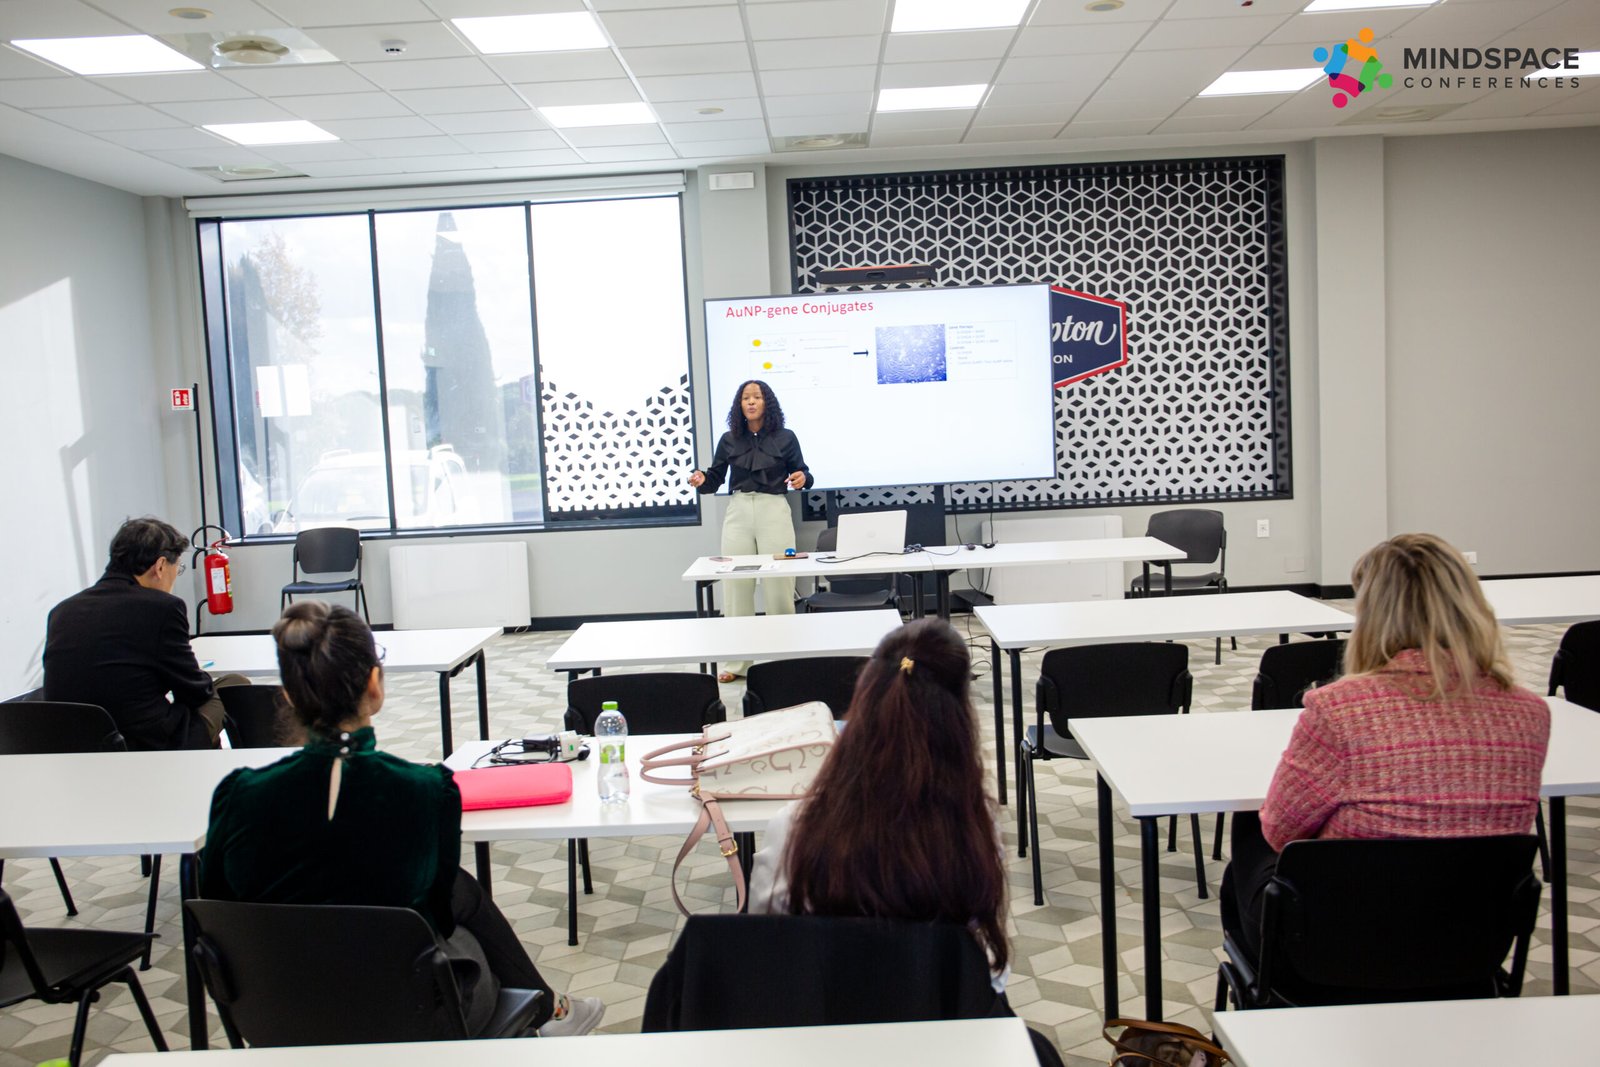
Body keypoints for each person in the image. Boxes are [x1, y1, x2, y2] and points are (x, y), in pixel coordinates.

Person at [199, 601, 603, 1038]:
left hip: (275, 1014)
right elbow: (436, 920)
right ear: (375, 685)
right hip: (414, 1016)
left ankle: (549, 1012)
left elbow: (219, 914)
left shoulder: (238, 796)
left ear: (289, 695)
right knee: (451, 900)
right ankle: (548, 1012)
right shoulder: (426, 791)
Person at [1220, 533, 1551, 962]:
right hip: (1472, 947)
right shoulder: (1529, 713)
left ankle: (1253, 975)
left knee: (1251, 822)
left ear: (1372, 614)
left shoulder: (1340, 710)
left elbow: (1282, 832)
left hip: (1337, 948)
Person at [747, 618, 1010, 991]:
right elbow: (988, 972)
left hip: (818, 1013)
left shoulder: (795, 826)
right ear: (960, 718)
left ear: (862, 706)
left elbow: (767, 948)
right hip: (938, 1018)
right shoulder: (973, 828)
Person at [44, 517, 228, 751]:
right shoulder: (163, 608)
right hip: (143, 744)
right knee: (231, 686)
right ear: (160, 566)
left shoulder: (62, 611)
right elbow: (195, 691)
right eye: (178, 569)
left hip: (71, 745)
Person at [689, 379, 812, 682]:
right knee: (736, 586)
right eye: (746, 398)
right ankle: (737, 663)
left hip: (774, 509)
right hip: (739, 510)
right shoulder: (729, 439)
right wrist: (702, 479)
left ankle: (783, 660)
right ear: (739, 405)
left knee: (779, 586)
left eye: (757, 397)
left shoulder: (786, 437)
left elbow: (803, 473)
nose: (751, 402)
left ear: (767, 402)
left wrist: (801, 478)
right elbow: (715, 478)